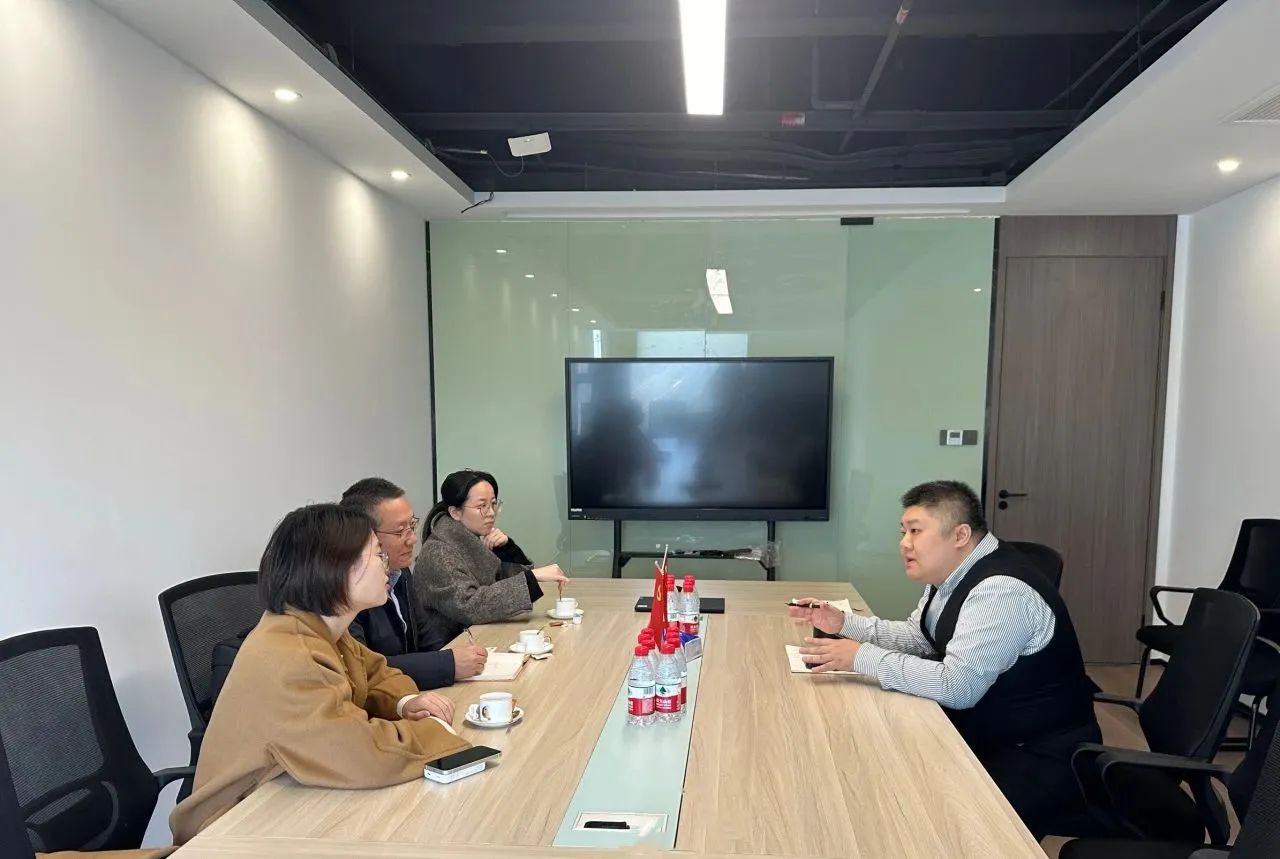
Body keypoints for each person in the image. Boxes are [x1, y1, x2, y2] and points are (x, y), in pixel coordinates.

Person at [790, 480, 1100, 839]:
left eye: (915, 531)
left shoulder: (1001, 591)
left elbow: (958, 687)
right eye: (903, 531)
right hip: (990, 732)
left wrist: (862, 657)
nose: (904, 543)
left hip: (1036, 755)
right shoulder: (951, 573)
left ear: (960, 535)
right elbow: (919, 638)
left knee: (922, 820)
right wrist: (844, 623)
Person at [170, 504, 470, 844]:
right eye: (377, 554)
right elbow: (361, 754)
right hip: (230, 829)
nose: (386, 563)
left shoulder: (320, 629)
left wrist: (406, 702)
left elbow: (375, 673)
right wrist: (438, 731)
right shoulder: (294, 656)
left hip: (284, 799)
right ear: (337, 569)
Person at [340, 477, 488, 686]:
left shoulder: (401, 573)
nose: (412, 539)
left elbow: (427, 640)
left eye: (412, 525)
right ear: (364, 537)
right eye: (400, 531)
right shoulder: (346, 591)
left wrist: (455, 659)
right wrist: (447, 664)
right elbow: (364, 668)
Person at [415, 469, 569, 646]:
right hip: (450, 649)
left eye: (493, 504)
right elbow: (471, 606)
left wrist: (507, 549)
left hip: (478, 638)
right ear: (455, 512)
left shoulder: (470, 538)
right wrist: (532, 577)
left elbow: (503, 588)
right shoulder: (439, 553)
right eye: (481, 506)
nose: (490, 513)